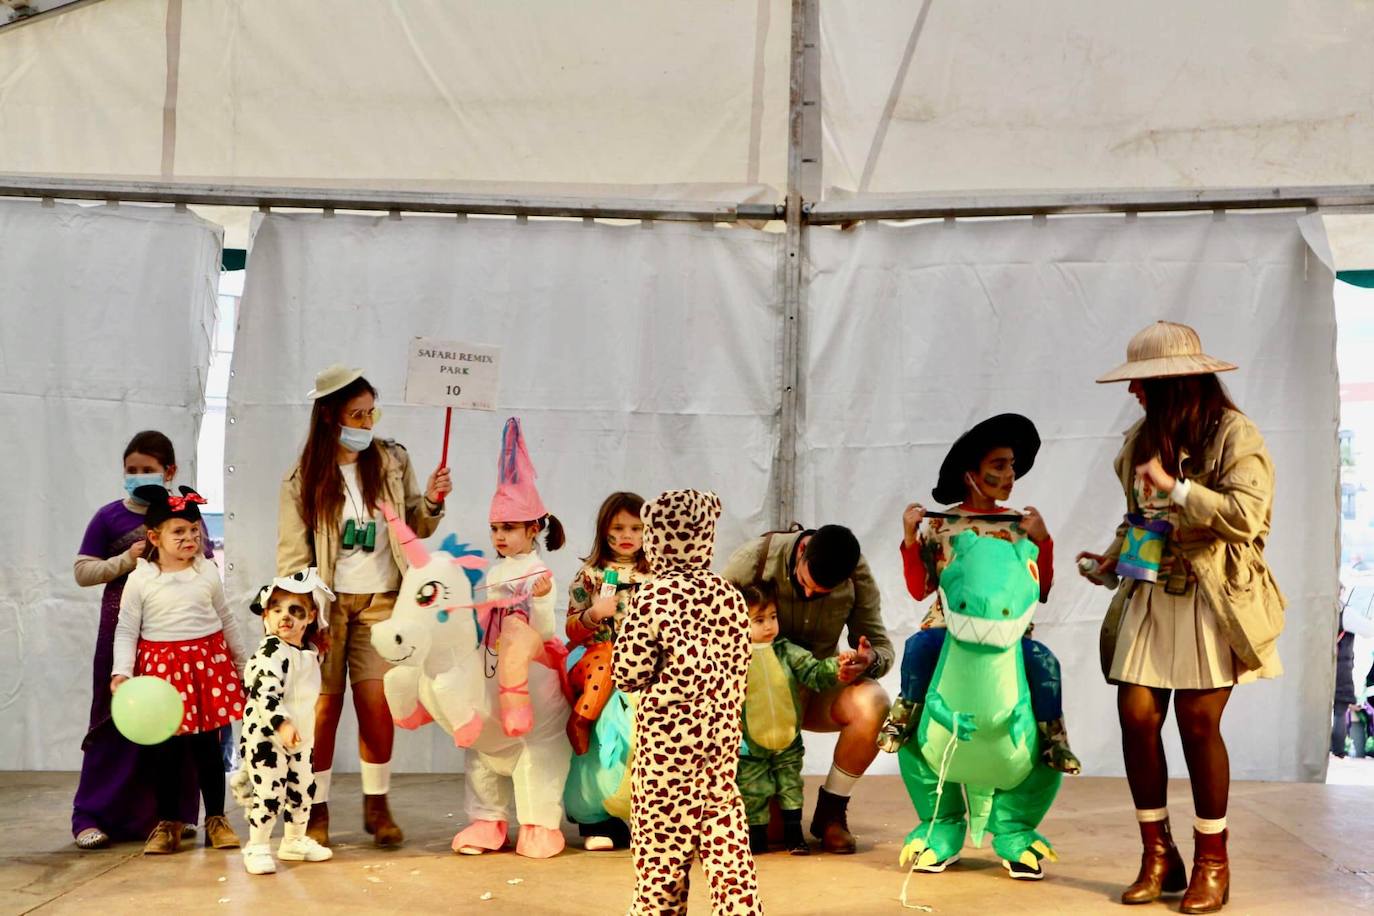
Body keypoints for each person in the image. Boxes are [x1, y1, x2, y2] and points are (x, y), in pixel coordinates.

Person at [1082, 321, 1284, 913]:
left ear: (1171, 383)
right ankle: (1158, 855)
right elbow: (1140, 520)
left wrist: (1177, 488)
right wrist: (1112, 559)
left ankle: (1212, 864)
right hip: (1152, 594)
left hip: (1212, 597)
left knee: (1198, 723)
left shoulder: (1234, 434)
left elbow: (1247, 517)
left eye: (1140, 381)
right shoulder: (1142, 440)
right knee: (1136, 713)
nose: (1132, 392)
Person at [277, 364, 451, 848]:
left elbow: (417, 523)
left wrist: (433, 501)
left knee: (376, 702)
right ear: (331, 417)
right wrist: (306, 617)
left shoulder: (392, 460)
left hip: (383, 600)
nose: (367, 423)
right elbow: (293, 556)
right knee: (322, 709)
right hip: (326, 606)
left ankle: (378, 804)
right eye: (357, 414)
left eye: (371, 411)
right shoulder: (303, 478)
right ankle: (317, 809)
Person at [886, 414, 1080, 774]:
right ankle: (904, 716)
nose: (1009, 475)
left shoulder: (1020, 526)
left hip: (1007, 629)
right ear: (970, 474)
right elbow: (919, 590)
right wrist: (911, 539)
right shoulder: (940, 525)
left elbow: (1042, 590)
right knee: (917, 647)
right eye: (999, 465)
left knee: (1043, 662)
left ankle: (1054, 740)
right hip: (949, 626)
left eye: (1012, 465)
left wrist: (1043, 540)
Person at [614, 489, 761, 915]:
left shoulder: (652, 597)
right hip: (719, 747)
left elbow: (628, 674)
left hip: (666, 753)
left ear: (657, 538)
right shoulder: (731, 597)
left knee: (661, 865)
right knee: (729, 858)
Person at [722, 523, 892, 854]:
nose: (812, 595)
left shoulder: (857, 575)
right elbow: (708, 632)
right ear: (802, 552)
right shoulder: (753, 561)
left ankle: (831, 812)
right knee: (770, 835)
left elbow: (881, 647)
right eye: (805, 585)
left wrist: (868, 660)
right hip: (754, 706)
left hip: (814, 686)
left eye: (823, 593)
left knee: (873, 701)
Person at [70, 431, 203, 849]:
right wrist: (123, 561)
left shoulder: (182, 518)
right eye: (132, 470)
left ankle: (170, 817)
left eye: (148, 470)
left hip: (173, 641)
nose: (139, 476)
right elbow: (82, 572)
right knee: (113, 725)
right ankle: (91, 816)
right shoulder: (110, 517)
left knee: (172, 727)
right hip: (118, 640)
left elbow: (204, 572)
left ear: (170, 472)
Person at [111, 485, 254, 855]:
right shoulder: (140, 579)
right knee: (165, 753)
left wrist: (242, 665)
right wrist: (121, 672)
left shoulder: (207, 573)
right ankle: (168, 822)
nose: (190, 538)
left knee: (209, 747)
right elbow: (127, 628)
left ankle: (217, 819)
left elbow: (226, 620)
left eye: (195, 531)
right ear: (154, 537)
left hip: (206, 668)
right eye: (179, 532)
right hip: (161, 674)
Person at [734, 581, 859, 856]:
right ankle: (755, 840)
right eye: (759, 620)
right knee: (753, 790)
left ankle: (795, 836)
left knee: (791, 786)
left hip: (788, 740)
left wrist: (836, 664)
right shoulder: (732, 658)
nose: (769, 626)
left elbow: (813, 671)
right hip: (749, 744)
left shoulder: (786, 650)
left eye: (773, 617)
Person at [232, 568, 335, 875]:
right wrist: (281, 724)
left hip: (301, 736)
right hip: (267, 735)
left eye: (294, 610)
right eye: (276, 610)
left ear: (310, 616)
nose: (284, 617)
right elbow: (265, 692)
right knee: (270, 792)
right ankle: (258, 845)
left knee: (303, 790)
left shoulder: (307, 652)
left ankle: (294, 840)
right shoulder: (270, 651)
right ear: (265, 615)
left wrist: (298, 729)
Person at [563, 491, 650, 850]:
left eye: (636, 527)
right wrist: (594, 614)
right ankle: (595, 819)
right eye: (618, 527)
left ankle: (643, 814)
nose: (627, 535)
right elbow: (570, 630)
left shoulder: (656, 575)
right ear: (604, 530)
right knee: (602, 741)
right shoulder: (590, 575)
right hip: (600, 663)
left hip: (644, 669)